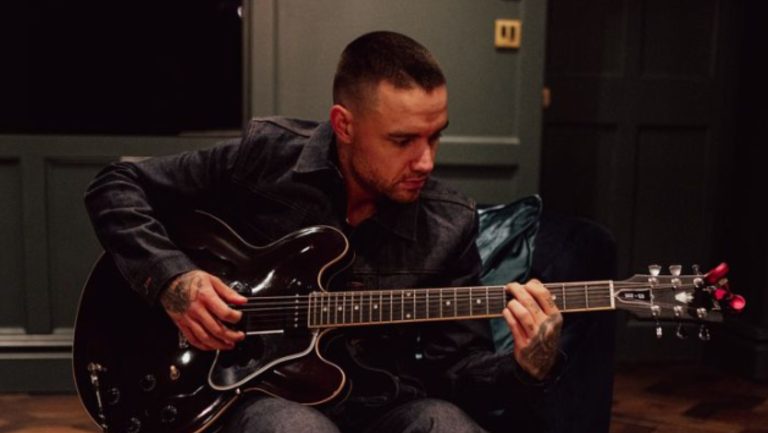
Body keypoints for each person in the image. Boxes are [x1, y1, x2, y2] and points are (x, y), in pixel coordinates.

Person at [85, 31, 563, 433]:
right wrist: (174, 280)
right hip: (254, 395)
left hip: (383, 405)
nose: (426, 161)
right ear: (344, 125)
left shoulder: (449, 223)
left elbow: (456, 370)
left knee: (449, 424)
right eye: (402, 141)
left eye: (435, 135)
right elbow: (116, 184)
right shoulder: (266, 158)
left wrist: (528, 366)